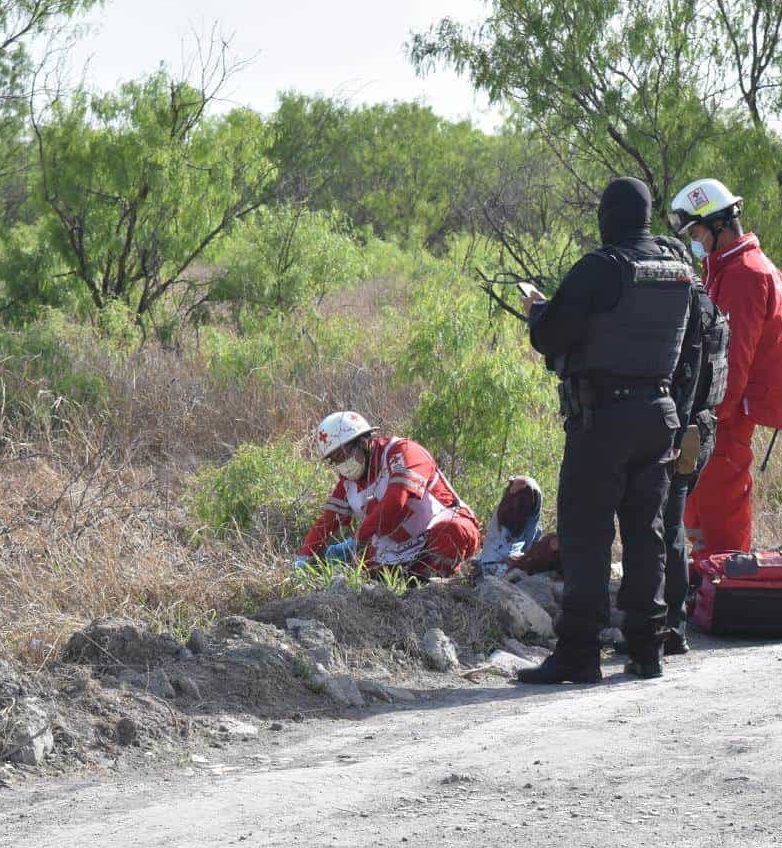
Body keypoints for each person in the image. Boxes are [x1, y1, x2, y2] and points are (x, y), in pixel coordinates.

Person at [517, 177, 696, 683]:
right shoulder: (679, 268)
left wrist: (538, 310)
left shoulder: (602, 267)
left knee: (587, 536)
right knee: (648, 534)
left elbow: (551, 334)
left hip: (603, 419)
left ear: (608, 215)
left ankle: (580, 654)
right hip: (660, 414)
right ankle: (647, 649)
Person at [667, 179, 782, 558]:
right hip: (721, 411)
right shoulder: (730, 267)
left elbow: (733, 358)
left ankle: (725, 590)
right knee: (700, 506)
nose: (695, 241)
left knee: (720, 508)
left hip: (728, 413)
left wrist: (711, 416)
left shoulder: (744, 274)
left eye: (696, 232)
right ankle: (704, 583)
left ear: (718, 225)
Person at [296, 411, 481, 579]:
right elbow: (327, 522)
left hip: (442, 527)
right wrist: (304, 556)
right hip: (401, 546)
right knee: (365, 567)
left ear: (363, 442)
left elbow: (395, 503)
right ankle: (412, 583)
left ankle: (442, 581)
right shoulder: (348, 483)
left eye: (343, 454)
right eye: (335, 460)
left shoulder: (403, 452)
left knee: (452, 531)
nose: (342, 464)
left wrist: (357, 540)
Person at [655, 237, 729, 654]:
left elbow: (684, 377)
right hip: (702, 429)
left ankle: (669, 629)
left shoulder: (685, 306)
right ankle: (672, 626)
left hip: (683, 432)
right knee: (672, 525)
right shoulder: (709, 304)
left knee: (665, 529)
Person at [478, 476, 544, 576]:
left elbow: (530, 533)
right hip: (493, 559)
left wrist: (523, 557)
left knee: (538, 530)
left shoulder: (532, 504)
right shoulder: (504, 514)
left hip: (515, 551)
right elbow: (496, 548)